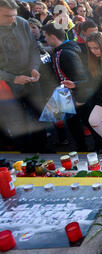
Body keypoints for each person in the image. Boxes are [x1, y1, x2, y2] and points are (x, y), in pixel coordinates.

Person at [0, 0, 49, 152]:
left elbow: (33, 47)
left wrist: (34, 67)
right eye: (8, 16)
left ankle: (45, 152)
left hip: (30, 78)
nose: (13, 20)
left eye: (14, 15)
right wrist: (13, 78)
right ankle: (26, 158)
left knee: (39, 115)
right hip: (7, 85)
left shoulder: (21, 22)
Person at [42, 22, 91, 152]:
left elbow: (79, 76)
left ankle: (85, 149)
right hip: (73, 95)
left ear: (52, 36)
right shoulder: (66, 48)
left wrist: (79, 97)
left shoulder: (64, 53)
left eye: (45, 36)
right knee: (79, 123)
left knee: (78, 124)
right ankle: (86, 147)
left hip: (75, 96)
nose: (45, 40)